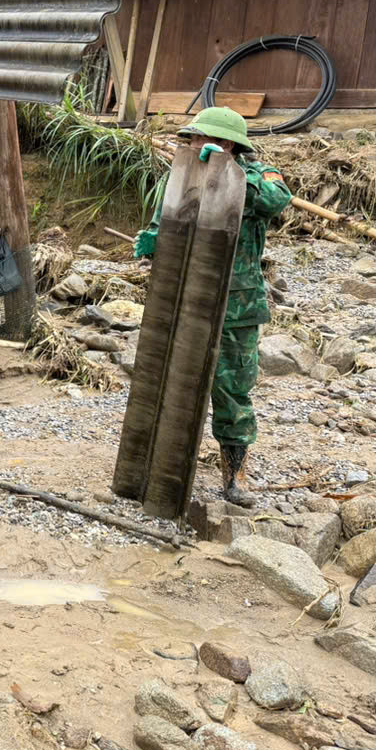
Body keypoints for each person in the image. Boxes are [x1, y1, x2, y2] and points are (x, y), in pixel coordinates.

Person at [133, 107, 291, 506]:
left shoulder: (258, 175)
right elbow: (163, 220)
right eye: (193, 139)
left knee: (232, 390)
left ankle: (235, 476)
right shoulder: (183, 174)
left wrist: (227, 171)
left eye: (203, 139)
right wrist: (151, 240)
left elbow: (276, 200)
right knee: (169, 381)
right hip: (183, 299)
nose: (195, 145)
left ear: (228, 144)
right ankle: (155, 471)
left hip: (238, 306)